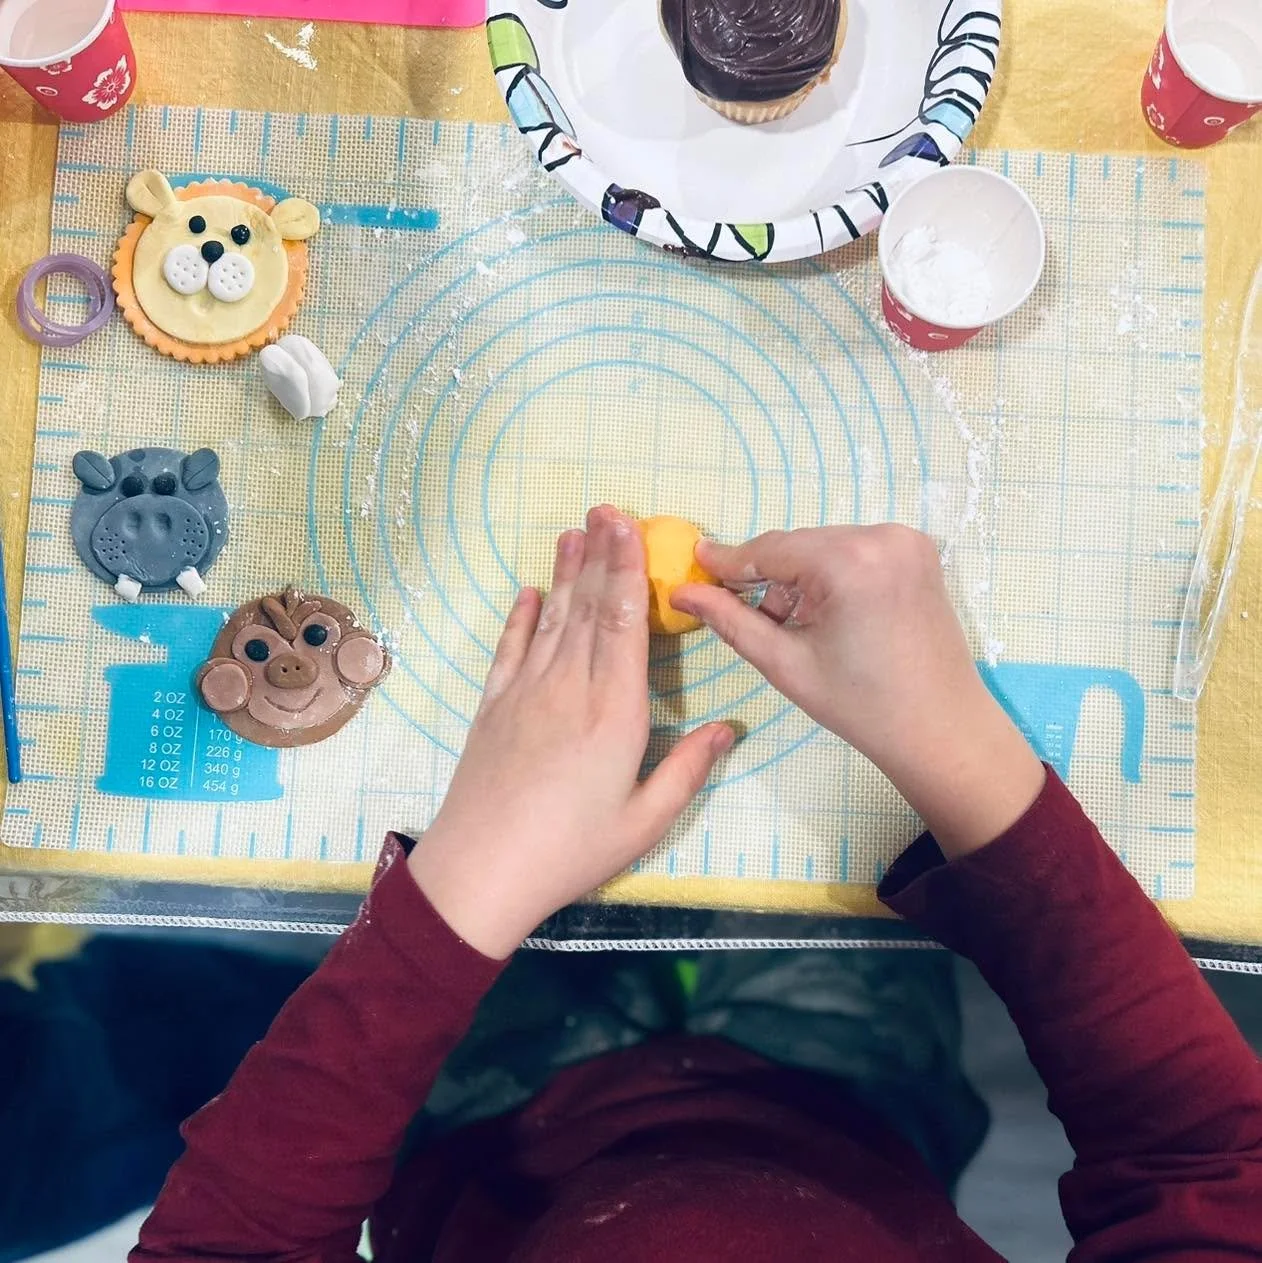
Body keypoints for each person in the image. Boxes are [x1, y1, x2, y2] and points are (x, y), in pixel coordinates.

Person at [130, 507, 1262, 1262]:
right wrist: (958, 750)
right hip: (838, 1107)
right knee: (803, 842)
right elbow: (1209, 1166)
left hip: (488, 1136)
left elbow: (226, 1250)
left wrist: (470, 881)